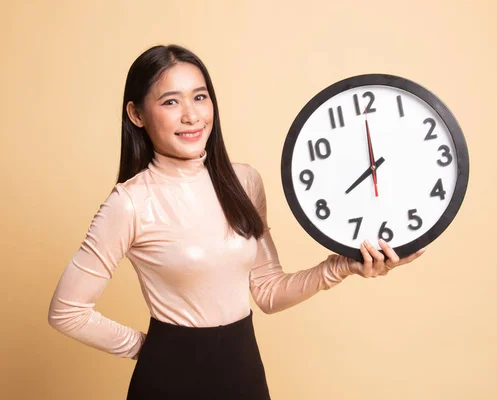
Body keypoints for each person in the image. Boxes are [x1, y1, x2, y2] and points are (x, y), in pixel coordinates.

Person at [47, 44, 426, 400]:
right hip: (169, 380)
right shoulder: (130, 202)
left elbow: (268, 292)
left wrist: (340, 267)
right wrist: (149, 349)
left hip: (244, 373)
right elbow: (67, 311)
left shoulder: (245, 181)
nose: (192, 115)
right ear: (137, 114)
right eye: (170, 101)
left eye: (200, 96)